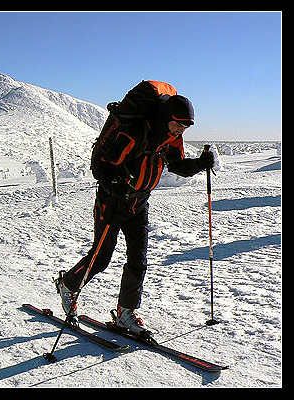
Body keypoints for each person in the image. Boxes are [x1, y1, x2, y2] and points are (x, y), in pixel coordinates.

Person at [55, 93, 214, 335]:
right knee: (101, 257)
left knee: (138, 261)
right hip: (113, 203)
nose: (179, 131)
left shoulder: (170, 139)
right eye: (176, 125)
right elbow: (102, 166)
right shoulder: (136, 132)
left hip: (139, 204)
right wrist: (112, 183)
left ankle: (125, 312)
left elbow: (177, 166)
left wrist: (201, 163)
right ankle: (68, 285)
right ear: (165, 118)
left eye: (183, 127)